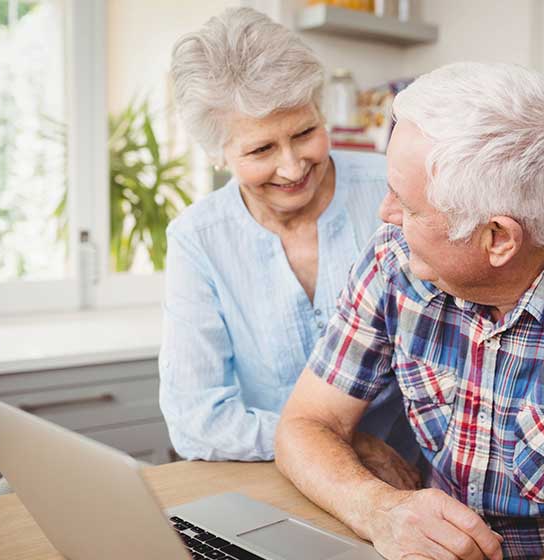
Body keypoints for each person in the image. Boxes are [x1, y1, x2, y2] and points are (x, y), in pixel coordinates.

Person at [275, 62, 544, 559]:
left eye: (408, 204)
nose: (386, 214)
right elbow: (305, 423)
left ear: (497, 238)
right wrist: (378, 510)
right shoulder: (396, 256)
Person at [159, 6, 419, 485]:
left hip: (412, 483)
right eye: (261, 150)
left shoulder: (392, 193)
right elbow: (195, 421)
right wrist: (332, 442)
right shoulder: (198, 240)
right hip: (279, 482)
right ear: (217, 154)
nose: (293, 166)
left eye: (305, 132)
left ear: (322, 112)